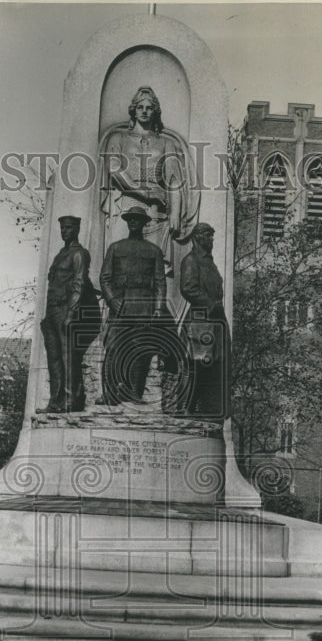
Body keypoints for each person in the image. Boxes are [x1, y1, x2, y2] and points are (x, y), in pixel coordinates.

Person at [99, 86, 199, 284]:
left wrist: (175, 213)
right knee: (119, 263)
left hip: (157, 213)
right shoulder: (118, 139)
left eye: (149, 107)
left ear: (155, 111)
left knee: (154, 270)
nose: (144, 111)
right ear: (133, 110)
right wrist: (143, 194)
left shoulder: (166, 143)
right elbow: (115, 170)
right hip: (125, 207)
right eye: (140, 107)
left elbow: (174, 181)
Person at [99, 206, 173, 405]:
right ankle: (109, 393)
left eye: (137, 220)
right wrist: (112, 300)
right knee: (113, 348)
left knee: (141, 351)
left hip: (144, 307)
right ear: (127, 222)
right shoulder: (115, 248)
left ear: (143, 223)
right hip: (120, 307)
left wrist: (158, 308)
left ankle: (134, 393)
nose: (133, 222)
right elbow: (105, 278)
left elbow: (160, 282)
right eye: (130, 219)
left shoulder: (154, 251)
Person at [37, 216, 99, 413]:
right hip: (53, 312)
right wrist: (47, 317)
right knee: (54, 358)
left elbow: (79, 283)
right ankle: (55, 401)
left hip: (67, 310)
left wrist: (71, 313)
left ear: (77, 230)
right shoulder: (59, 255)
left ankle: (72, 399)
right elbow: (52, 286)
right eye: (62, 228)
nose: (64, 231)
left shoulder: (80, 253)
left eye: (68, 228)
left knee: (68, 357)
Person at [178, 222, 229, 420]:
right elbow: (188, 288)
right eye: (209, 236)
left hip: (214, 322)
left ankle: (198, 408)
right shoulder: (192, 260)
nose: (212, 240)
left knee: (210, 367)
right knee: (198, 367)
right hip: (200, 321)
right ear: (199, 237)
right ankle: (188, 407)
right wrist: (210, 304)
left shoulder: (209, 262)